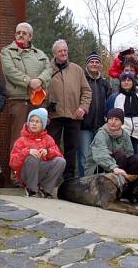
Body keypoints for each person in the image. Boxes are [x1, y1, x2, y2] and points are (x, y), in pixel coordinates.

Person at [46, 39, 92, 180]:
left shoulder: (77, 70)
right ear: (54, 53)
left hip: (74, 115)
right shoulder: (47, 69)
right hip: (54, 116)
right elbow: (40, 92)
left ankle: (69, 177)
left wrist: (83, 108)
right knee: (52, 146)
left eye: (65, 50)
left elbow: (87, 91)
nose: (63, 53)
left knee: (71, 148)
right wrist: (44, 112)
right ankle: (50, 177)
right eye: (60, 51)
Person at [0, 22, 51, 145]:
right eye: (18, 33)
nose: (20, 35)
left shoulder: (40, 54)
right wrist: (29, 82)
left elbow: (49, 69)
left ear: (30, 37)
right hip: (19, 101)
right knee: (19, 138)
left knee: (39, 138)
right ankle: (16, 164)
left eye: (24, 33)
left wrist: (40, 81)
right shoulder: (6, 52)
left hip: (39, 102)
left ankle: (37, 163)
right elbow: (10, 71)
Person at [9, 108, 66, 198]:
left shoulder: (48, 139)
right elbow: (13, 163)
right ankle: (31, 190)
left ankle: (45, 190)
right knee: (32, 158)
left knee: (61, 161)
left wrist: (47, 152)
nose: (34, 124)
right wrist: (27, 152)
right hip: (25, 174)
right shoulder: (21, 140)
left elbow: (59, 155)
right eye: (31, 121)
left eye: (37, 121)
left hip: (41, 172)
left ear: (43, 124)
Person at [78, 51, 112, 177]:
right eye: (91, 62)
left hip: (100, 126)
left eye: (97, 62)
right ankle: (83, 183)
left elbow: (109, 102)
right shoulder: (82, 80)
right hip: (83, 125)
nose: (94, 64)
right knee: (85, 157)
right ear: (87, 64)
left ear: (100, 65)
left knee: (100, 157)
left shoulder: (105, 83)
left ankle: (97, 183)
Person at [85, 108, 138, 177]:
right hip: (99, 167)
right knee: (119, 155)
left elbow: (129, 153)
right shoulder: (101, 133)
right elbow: (101, 155)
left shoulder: (125, 134)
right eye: (110, 119)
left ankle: (130, 184)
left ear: (122, 123)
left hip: (119, 165)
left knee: (137, 159)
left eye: (116, 119)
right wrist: (113, 167)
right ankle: (116, 184)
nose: (113, 122)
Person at [106, 72, 138, 152]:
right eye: (124, 80)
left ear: (133, 82)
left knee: (137, 158)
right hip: (121, 134)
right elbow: (108, 115)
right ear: (120, 82)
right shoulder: (114, 97)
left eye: (129, 80)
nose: (126, 82)